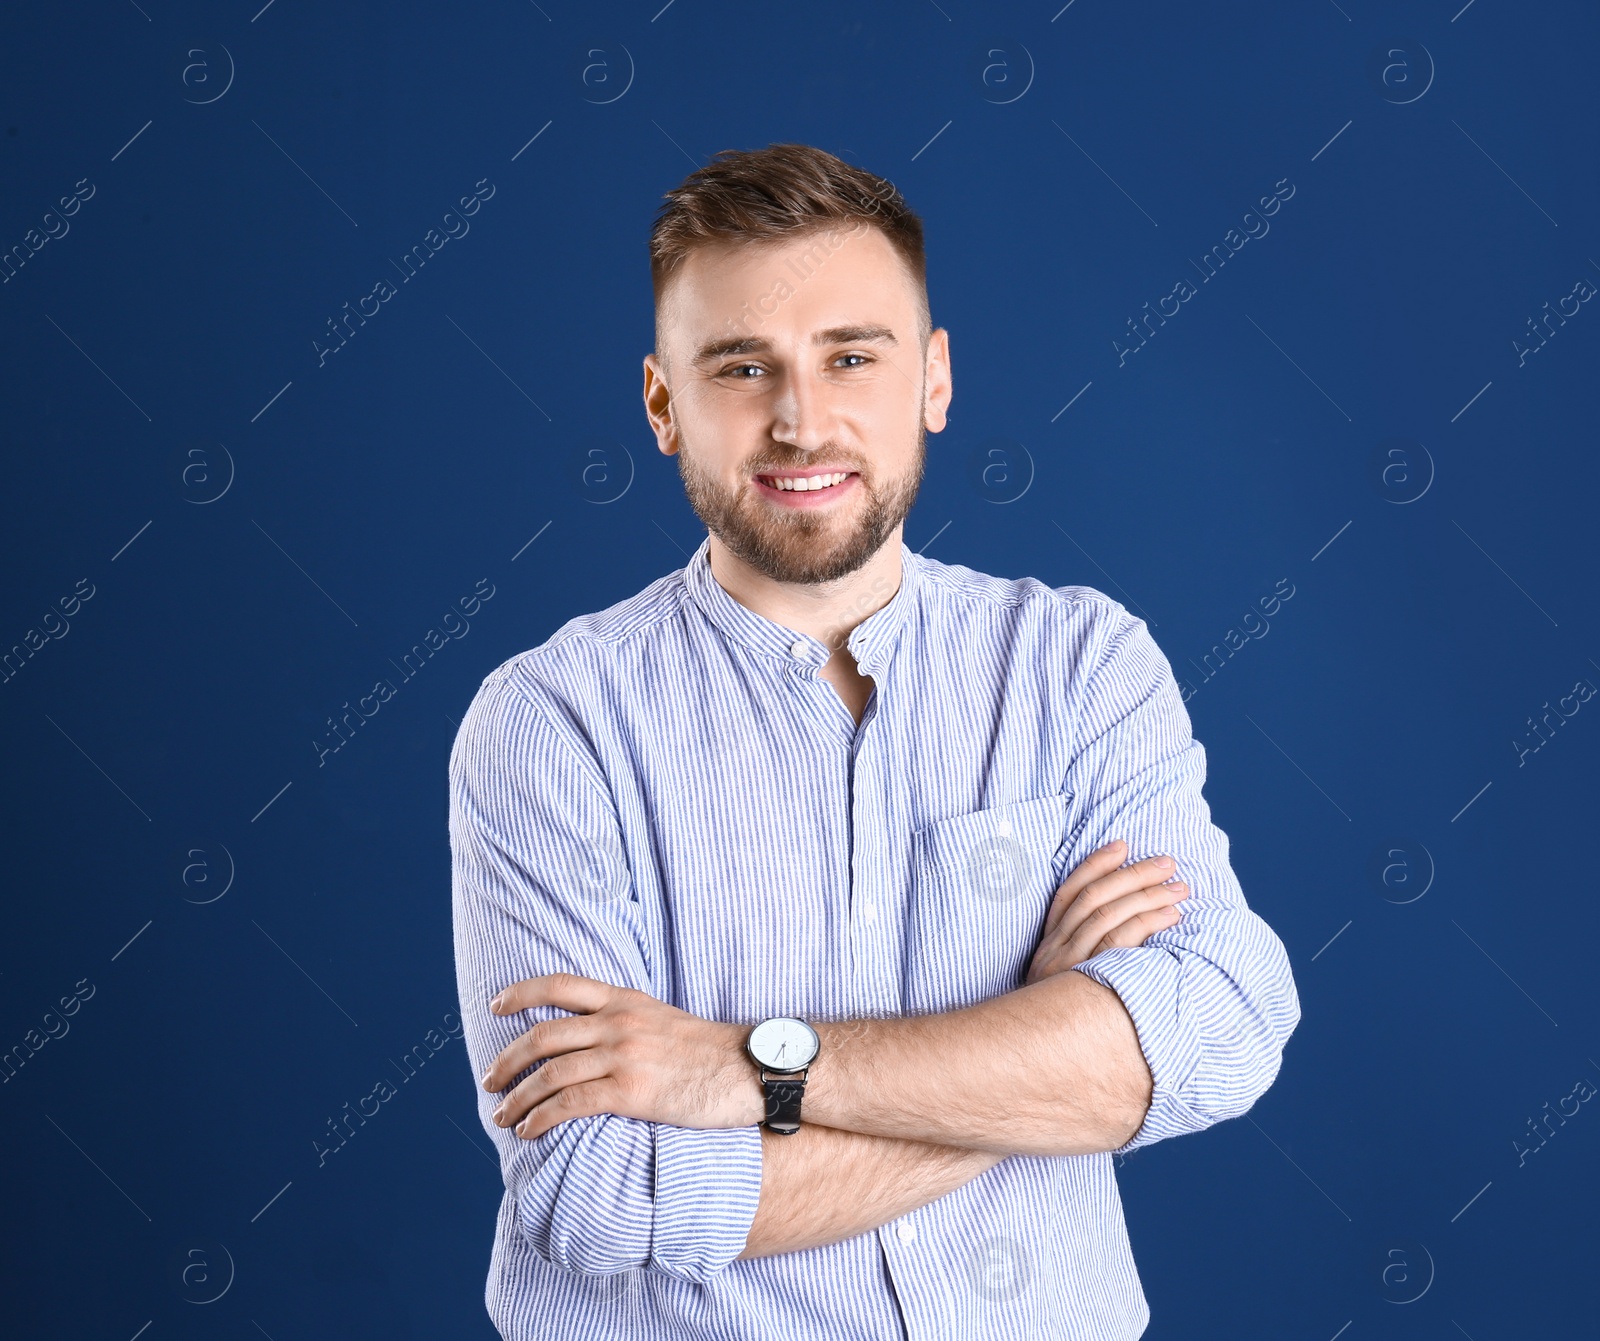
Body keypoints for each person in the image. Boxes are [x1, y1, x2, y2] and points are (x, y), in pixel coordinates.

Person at [450, 142, 1300, 1340]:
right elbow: (597, 1195)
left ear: (934, 381)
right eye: (743, 367)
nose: (802, 421)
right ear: (661, 406)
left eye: (852, 356)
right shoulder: (553, 726)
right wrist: (1037, 1044)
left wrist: (749, 1068)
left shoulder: (1078, 666)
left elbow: (1219, 1025)